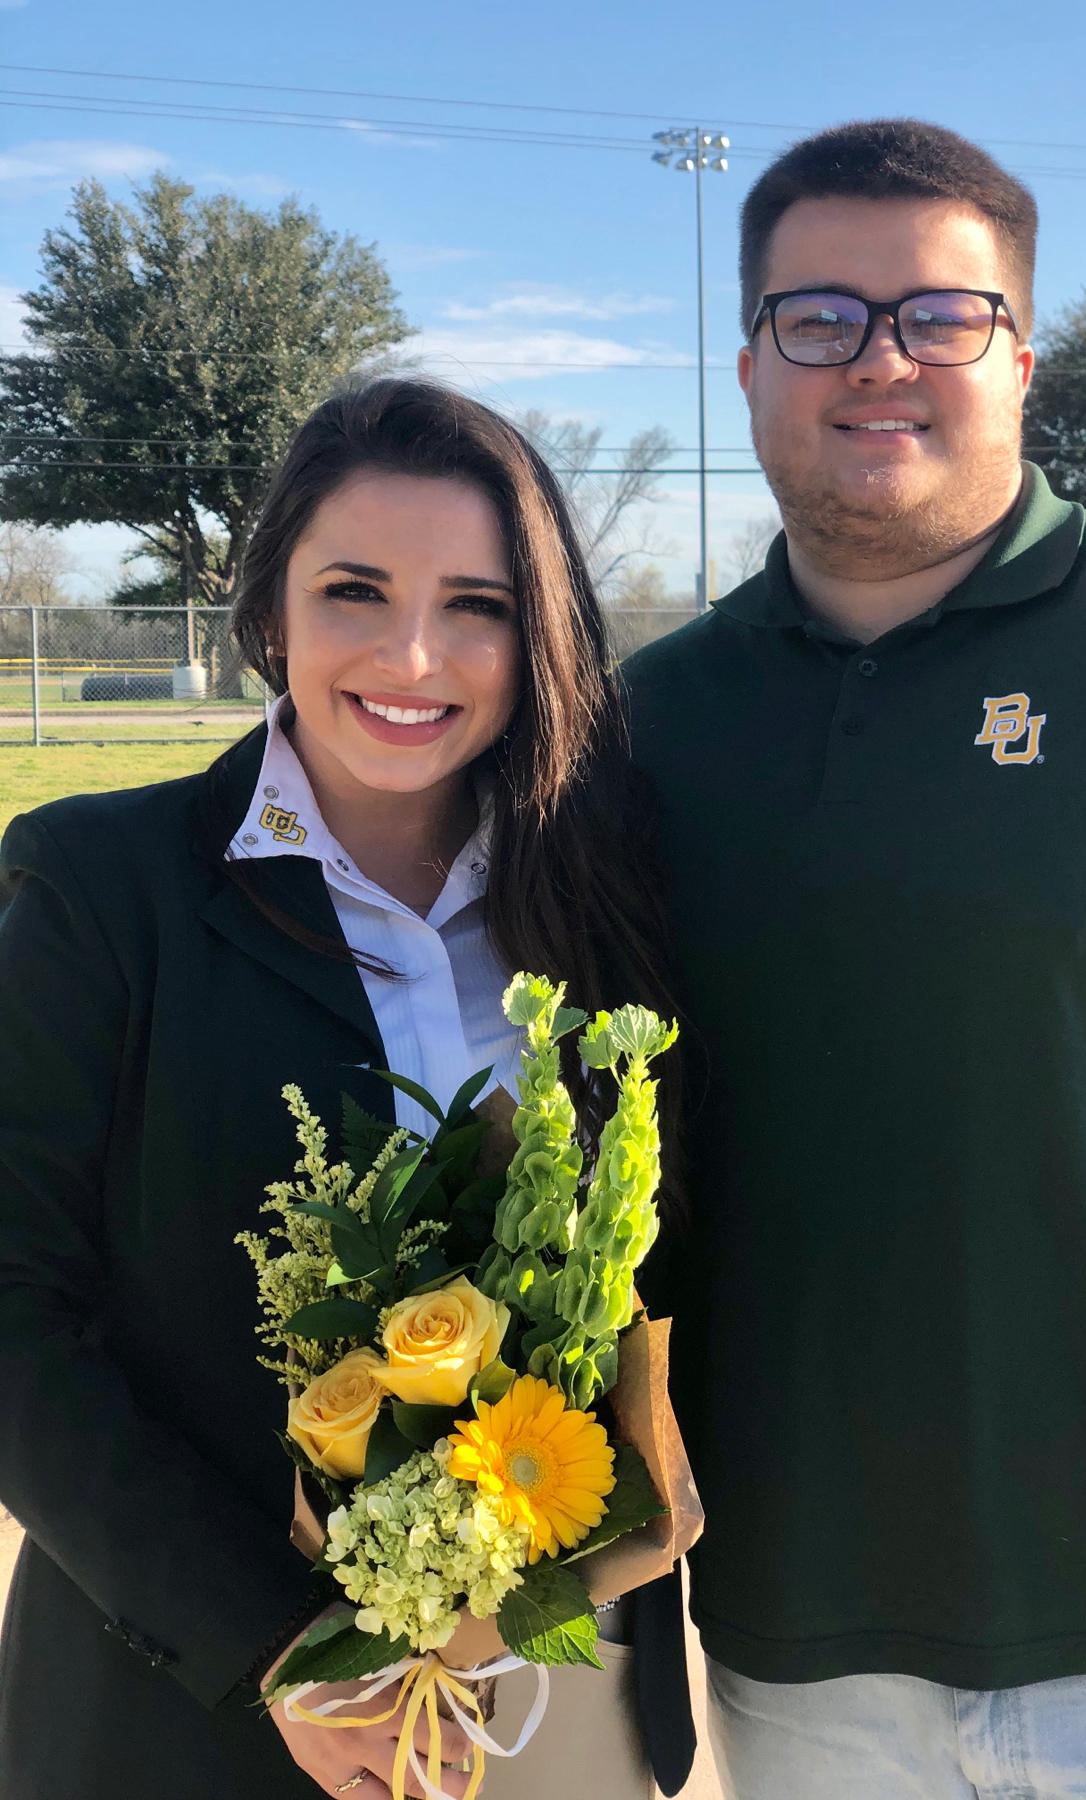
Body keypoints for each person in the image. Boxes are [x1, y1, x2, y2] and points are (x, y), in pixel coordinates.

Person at [621, 118, 1086, 1799]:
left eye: (937, 316)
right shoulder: (658, 718)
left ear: (1019, 355)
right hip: (800, 1625)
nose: (879, 361)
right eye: (820, 318)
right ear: (746, 363)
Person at [0, 377, 694, 1799]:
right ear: (269, 616)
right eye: (354, 592)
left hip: (560, 1688)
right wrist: (277, 1652)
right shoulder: (99, 889)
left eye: (480, 606)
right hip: (206, 1708)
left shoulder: (611, 904)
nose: (415, 654)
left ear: (538, 636)